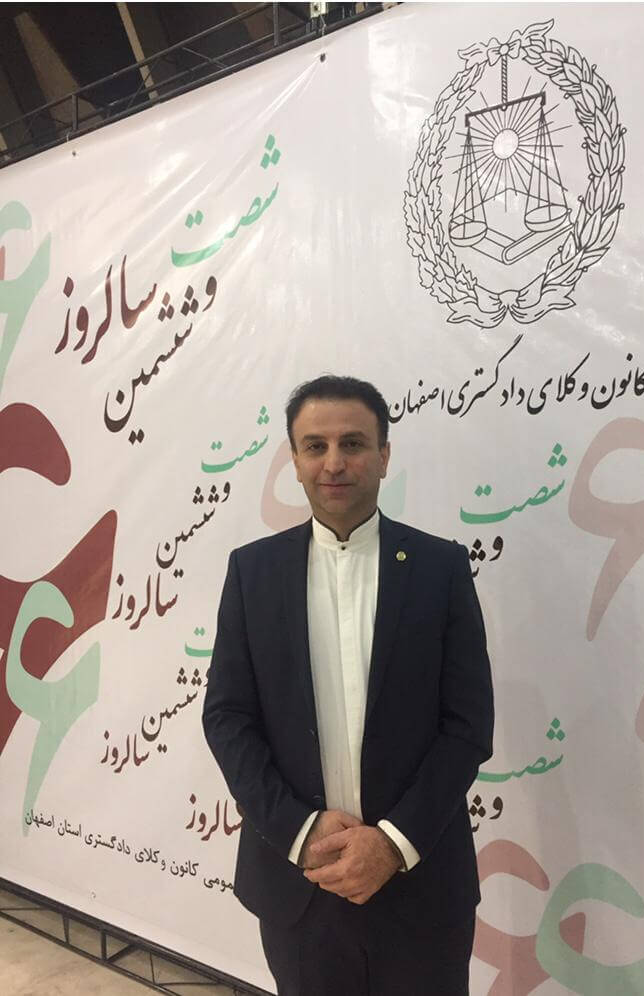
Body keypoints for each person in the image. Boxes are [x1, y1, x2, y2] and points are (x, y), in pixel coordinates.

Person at [202, 375, 494, 996]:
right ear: (295, 461)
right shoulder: (252, 572)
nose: (334, 462)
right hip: (300, 887)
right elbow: (227, 717)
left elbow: (467, 726)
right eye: (315, 446)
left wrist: (392, 844)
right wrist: (299, 831)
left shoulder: (441, 569)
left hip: (420, 882)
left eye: (353, 443)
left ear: (384, 456)